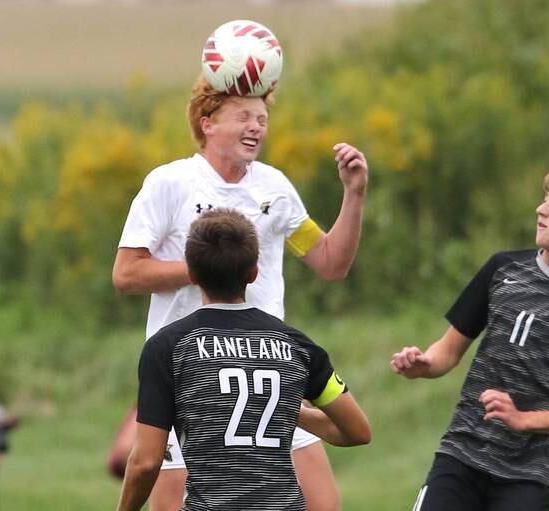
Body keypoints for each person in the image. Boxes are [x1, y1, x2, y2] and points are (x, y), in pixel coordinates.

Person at [111, 76, 368, 510]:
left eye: (263, 118)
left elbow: (330, 262)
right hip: (189, 375)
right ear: (207, 123)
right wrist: (203, 270)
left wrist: (354, 194)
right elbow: (127, 273)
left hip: (268, 373)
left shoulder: (275, 188)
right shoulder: (169, 183)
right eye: (244, 116)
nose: (257, 127)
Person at [391, 154, 549, 511]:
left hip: (529, 472)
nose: (541, 209)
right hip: (461, 451)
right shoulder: (502, 267)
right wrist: (422, 363)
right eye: (545, 198)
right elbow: (447, 352)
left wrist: (525, 420)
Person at [115, 208, 371, 511]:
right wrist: (285, 408)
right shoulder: (296, 346)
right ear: (253, 273)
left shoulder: (167, 348)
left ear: (192, 275)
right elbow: (357, 431)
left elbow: (146, 461)